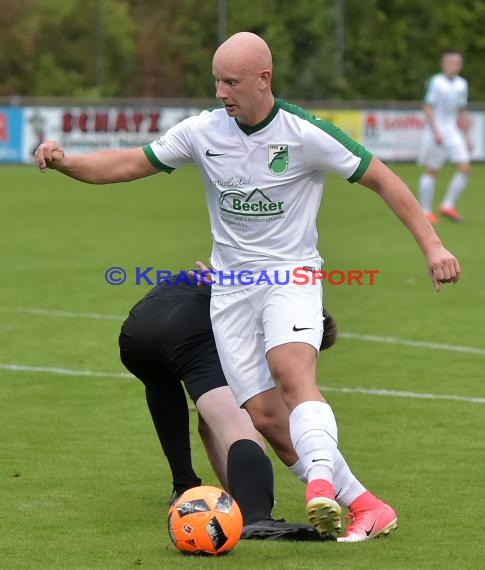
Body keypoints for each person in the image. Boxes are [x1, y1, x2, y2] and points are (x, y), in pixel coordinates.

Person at [34, 31, 460, 541]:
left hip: (291, 274)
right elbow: (129, 162)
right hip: (231, 289)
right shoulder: (203, 131)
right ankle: (367, 506)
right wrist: (66, 164)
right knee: (265, 418)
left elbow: (382, 178)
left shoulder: (306, 132)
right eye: (216, 81)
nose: (220, 92)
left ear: (264, 79)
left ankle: (319, 484)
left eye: (231, 81)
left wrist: (433, 247)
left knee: (291, 371)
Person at [118, 270, 395, 542]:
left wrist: (239, 493)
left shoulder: (246, 278)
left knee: (164, 386)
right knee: (242, 426)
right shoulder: (276, 316)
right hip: (193, 332)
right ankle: (258, 519)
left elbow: (207, 427)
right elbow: (266, 420)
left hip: (137, 331)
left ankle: (185, 486)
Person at [417, 51, 473, 223]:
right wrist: (435, 132)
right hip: (436, 131)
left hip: (453, 131)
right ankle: (425, 211)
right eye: (450, 63)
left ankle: (447, 206)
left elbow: (461, 111)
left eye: (457, 63)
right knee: (432, 170)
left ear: (460, 65)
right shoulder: (436, 82)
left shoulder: (462, 84)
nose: (453, 66)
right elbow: (427, 107)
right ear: (444, 64)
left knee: (465, 168)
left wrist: (468, 137)